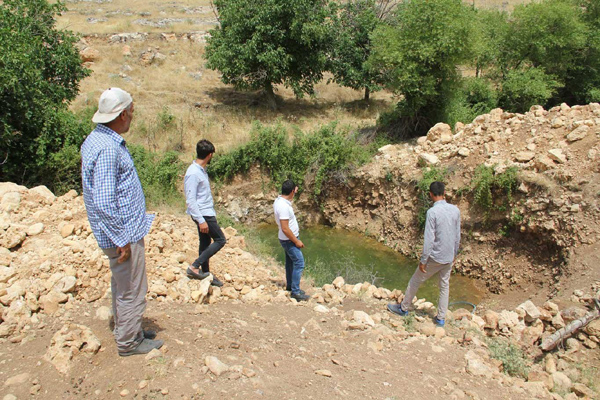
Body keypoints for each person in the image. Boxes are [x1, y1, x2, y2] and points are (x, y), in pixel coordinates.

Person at [81, 87, 163, 356]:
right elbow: (104, 202)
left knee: (122, 283)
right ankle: (129, 343)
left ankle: (129, 329)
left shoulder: (96, 140)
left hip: (119, 231)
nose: (132, 117)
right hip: (121, 233)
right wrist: (121, 239)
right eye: (132, 112)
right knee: (132, 287)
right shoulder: (107, 148)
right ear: (123, 114)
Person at [387, 181, 461, 327]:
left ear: (430, 195)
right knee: (444, 285)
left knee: (415, 280)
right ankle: (440, 318)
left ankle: (403, 308)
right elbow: (457, 235)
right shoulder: (455, 210)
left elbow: (429, 240)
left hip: (435, 256)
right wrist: (454, 253)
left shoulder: (432, 213)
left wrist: (423, 260)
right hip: (448, 256)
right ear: (444, 193)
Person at [184, 139, 226, 287]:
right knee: (220, 240)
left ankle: (206, 274)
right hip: (203, 213)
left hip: (205, 212)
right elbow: (190, 200)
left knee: (205, 242)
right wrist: (201, 220)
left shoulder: (200, 171)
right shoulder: (193, 173)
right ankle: (194, 266)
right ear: (209, 155)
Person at [274, 180, 310, 301]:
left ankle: (290, 286)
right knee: (299, 263)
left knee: (290, 263)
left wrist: (293, 190)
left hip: (285, 239)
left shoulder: (279, 200)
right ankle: (295, 292)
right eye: (294, 190)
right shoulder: (283, 206)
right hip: (289, 240)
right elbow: (285, 228)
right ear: (291, 191)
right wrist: (296, 241)